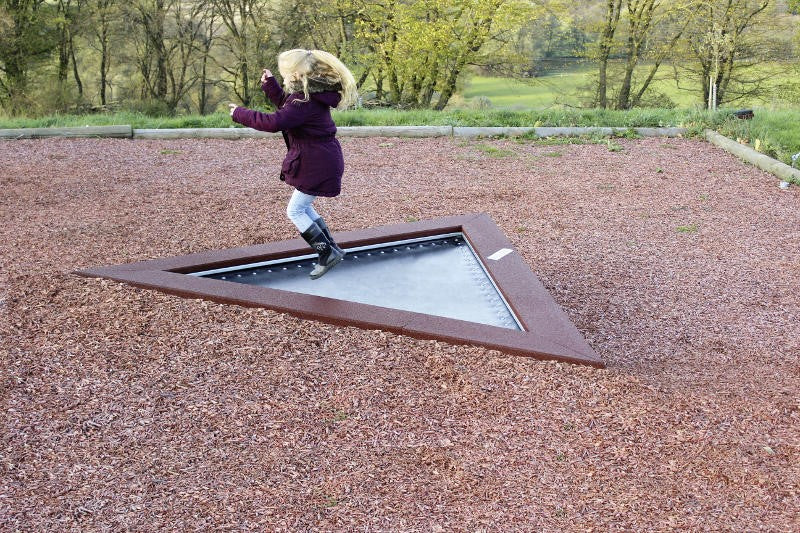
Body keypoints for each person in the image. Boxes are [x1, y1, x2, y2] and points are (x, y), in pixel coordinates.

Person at [229, 49, 357, 279]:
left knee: (295, 210)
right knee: (304, 207)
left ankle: (326, 252)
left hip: (316, 162)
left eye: (285, 74)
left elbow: (274, 122)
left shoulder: (303, 102)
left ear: (297, 75)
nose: (284, 78)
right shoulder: (308, 97)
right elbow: (287, 108)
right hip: (321, 159)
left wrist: (240, 113)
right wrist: (271, 86)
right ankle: (332, 248)